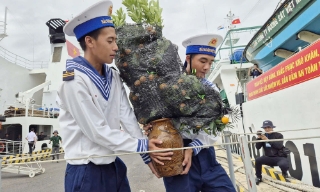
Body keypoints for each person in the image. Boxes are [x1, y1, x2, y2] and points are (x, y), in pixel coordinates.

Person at [58, 1, 171, 191]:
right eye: (110, 41)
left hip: (113, 166)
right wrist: (142, 145)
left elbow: (125, 115)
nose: (116, 47)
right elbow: (96, 131)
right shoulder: (74, 81)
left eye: (115, 41)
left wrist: (146, 155)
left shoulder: (112, 76)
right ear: (90, 42)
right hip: (86, 171)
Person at [146, 34, 236, 192]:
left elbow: (216, 125)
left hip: (205, 153)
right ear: (188, 58)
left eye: (210, 62)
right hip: (177, 154)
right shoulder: (169, 87)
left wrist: (194, 147)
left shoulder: (211, 89)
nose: (207, 67)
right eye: (202, 61)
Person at [255, 120, 289, 185]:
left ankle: (284, 172)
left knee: (283, 164)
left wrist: (267, 140)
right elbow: (257, 147)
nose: (267, 129)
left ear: (272, 127)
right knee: (258, 160)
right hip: (268, 157)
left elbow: (279, 146)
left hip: (279, 157)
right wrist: (259, 138)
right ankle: (258, 177)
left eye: (269, 127)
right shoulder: (263, 136)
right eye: (265, 128)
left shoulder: (278, 135)